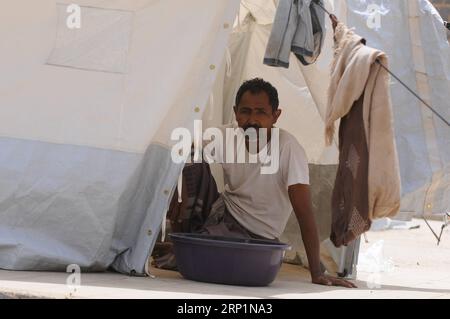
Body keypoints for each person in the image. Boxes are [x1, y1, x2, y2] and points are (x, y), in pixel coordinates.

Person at [155, 78, 356, 288]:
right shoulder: (226, 135)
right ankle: (183, 243)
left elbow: (304, 212)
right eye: (245, 111)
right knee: (189, 165)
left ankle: (180, 249)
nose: (252, 120)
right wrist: (177, 184)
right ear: (235, 112)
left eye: (261, 112)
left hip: (255, 236)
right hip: (219, 215)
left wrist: (317, 273)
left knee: (209, 255)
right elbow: (181, 149)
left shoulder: (288, 149)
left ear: (275, 115)